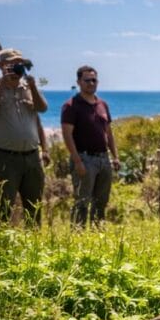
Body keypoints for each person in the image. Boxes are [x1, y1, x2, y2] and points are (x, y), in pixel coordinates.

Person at [0, 48, 49, 224]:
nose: (16, 66)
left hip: (31, 157)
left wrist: (33, 86)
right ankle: (0, 248)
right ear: (0, 65)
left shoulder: (29, 87)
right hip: (4, 158)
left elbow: (42, 108)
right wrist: (2, 84)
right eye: (11, 63)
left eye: (19, 63)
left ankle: (34, 245)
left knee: (34, 208)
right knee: (2, 209)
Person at [61, 65, 120, 226]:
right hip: (84, 158)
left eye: (94, 80)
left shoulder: (102, 105)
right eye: (87, 80)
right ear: (79, 82)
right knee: (82, 202)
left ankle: (97, 236)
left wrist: (115, 156)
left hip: (103, 159)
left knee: (101, 202)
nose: (91, 83)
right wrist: (77, 161)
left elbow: (108, 132)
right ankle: (78, 237)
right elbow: (67, 135)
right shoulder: (71, 105)